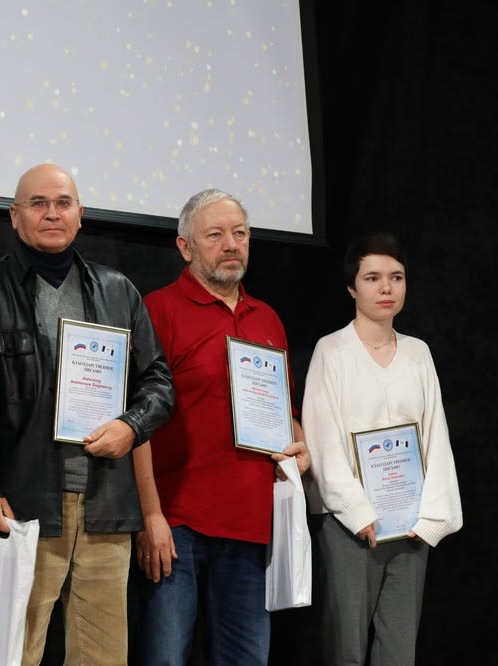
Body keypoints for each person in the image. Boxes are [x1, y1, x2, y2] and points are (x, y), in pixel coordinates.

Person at [0, 163, 174, 666]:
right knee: (14, 653)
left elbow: (158, 382)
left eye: (63, 203)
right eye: (38, 203)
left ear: (80, 213)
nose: (52, 213)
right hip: (24, 507)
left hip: (106, 504)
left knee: (103, 657)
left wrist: (131, 426)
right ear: (15, 216)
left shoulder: (118, 289)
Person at [133, 188, 310, 665]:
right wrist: (150, 515)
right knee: (165, 658)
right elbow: (136, 422)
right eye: (215, 235)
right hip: (178, 521)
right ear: (185, 247)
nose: (231, 244)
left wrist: (300, 443)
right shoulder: (158, 310)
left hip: (251, 524)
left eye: (240, 234)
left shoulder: (267, 318)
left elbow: (286, 413)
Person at [302, 231, 462, 665]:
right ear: (352, 287)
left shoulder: (418, 353)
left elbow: (436, 438)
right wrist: (357, 512)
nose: (386, 287)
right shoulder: (332, 351)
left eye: (397, 277)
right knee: (346, 650)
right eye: (372, 278)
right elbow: (322, 439)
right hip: (350, 525)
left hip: (409, 526)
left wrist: (431, 518)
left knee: (399, 650)